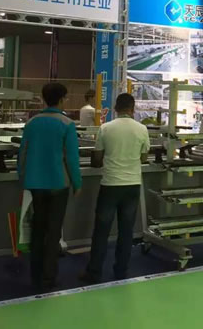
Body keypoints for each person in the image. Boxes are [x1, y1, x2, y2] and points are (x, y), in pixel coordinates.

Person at [18, 83, 82, 289]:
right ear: (62, 99)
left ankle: (35, 275)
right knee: (53, 232)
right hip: (58, 184)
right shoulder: (67, 124)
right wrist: (77, 183)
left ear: (44, 98)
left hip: (35, 184)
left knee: (38, 229)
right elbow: (72, 158)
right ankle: (49, 277)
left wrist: (22, 177)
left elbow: (22, 153)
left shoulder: (32, 123)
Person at [82, 93, 150, 283]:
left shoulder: (106, 128)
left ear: (115, 108)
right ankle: (121, 271)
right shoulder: (142, 129)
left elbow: (97, 159)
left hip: (110, 185)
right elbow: (144, 157)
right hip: (132, 185)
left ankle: (94, 272)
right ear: (133, 109)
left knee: (101, 231)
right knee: (126, 231)